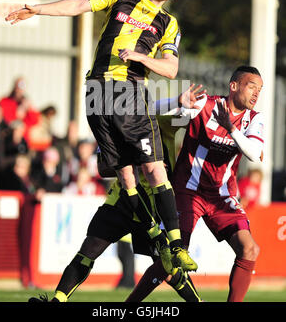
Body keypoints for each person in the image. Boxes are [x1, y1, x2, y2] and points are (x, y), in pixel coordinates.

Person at [5, 0, 196, 272]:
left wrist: (139, 57)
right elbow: (79, 5)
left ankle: (175, 245)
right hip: (96, 92)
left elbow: (171, 69)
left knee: (152, 167)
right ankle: (154, 235)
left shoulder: (167, 23)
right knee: (123, 175)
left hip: (129, 90)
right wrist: (37, 9)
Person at [27, 84, 204, 303]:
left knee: (167, 266)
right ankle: (57, 300)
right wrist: (128, 164)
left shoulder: (157, 118)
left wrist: (183, 103)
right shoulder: (111, 127)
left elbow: (187, 117)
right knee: (89, 248)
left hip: (154, 202)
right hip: (122, 199)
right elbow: (102, 168)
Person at [129, 65, 264, 303]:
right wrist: (177, 102)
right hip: (188, 191)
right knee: (171, 259)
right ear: (233, 86)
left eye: (260, 90)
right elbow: (155, 111)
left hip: (222, 196)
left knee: (250, 249)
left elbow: (254, 153)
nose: (256, 94)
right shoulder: (205, 104)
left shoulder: (254, 119)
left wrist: (230, 128)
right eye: (252, 86)